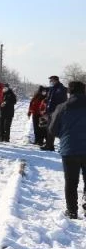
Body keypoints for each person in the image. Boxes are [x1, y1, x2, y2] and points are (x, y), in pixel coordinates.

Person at [49, 81, 86, 219]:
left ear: (69, 92)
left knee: (71, 181)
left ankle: (72, 211)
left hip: (69, 149)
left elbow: (53, 129)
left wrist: (64, 136)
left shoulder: (62, 107)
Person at [43, 75, 69, 151]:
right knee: (49, 129)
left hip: (57, 112)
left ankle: (62, 147)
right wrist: (46, 110)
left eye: (51, 80)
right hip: (50, 112)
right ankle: (49, 146)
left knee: (59, 130)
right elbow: (50, 101)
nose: (50, 82)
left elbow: (61, 101)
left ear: (56, 80)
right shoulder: (52, 89)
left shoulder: (61, 89)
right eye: (50, 81)